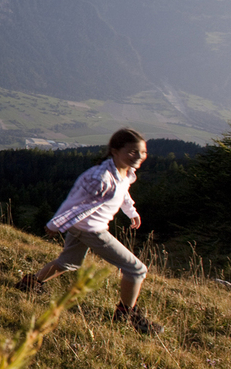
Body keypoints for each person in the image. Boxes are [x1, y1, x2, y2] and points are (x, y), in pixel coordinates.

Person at [16, 128, 163, 335]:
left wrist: (132, 212)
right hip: (91, 230)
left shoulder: (125, 172)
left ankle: (30, 283)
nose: (139, 156)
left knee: (69, 263)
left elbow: (123, 192)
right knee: (136, 269)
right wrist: (55, 225)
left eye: (143, 152)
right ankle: (127, 313)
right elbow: (78, 205)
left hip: (82, 228)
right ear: (115, 150)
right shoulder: (102, 178)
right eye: (132, 151)